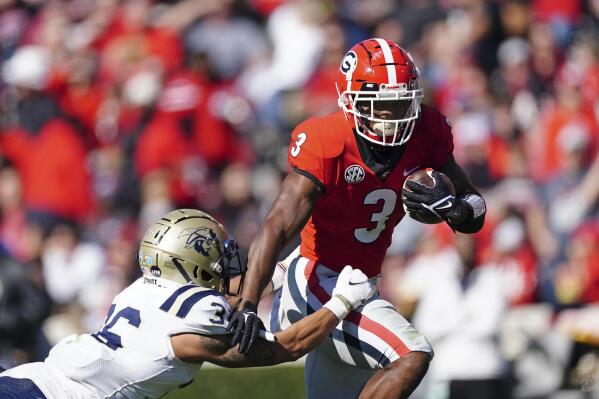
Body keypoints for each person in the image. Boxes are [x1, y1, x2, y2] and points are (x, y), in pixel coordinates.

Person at [228, 38, 487, 399]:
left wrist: (454, 209)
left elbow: (474, 207)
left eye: (400, 105)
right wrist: (248, 304)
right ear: (351, 102)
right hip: (316, 279)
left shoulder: (427, 131)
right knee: (411, 354)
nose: (393, 118)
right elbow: (279, 224)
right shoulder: (327, 139)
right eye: (381, 106)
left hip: (361, 284)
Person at [0, 209, 376, 399]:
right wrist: (343, 301)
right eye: (217, 254)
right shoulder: (198, 317)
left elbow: (225, 306)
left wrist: (276, 274)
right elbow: (285, 347)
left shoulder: (138, 290)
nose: (227, 264)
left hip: (26, 378)